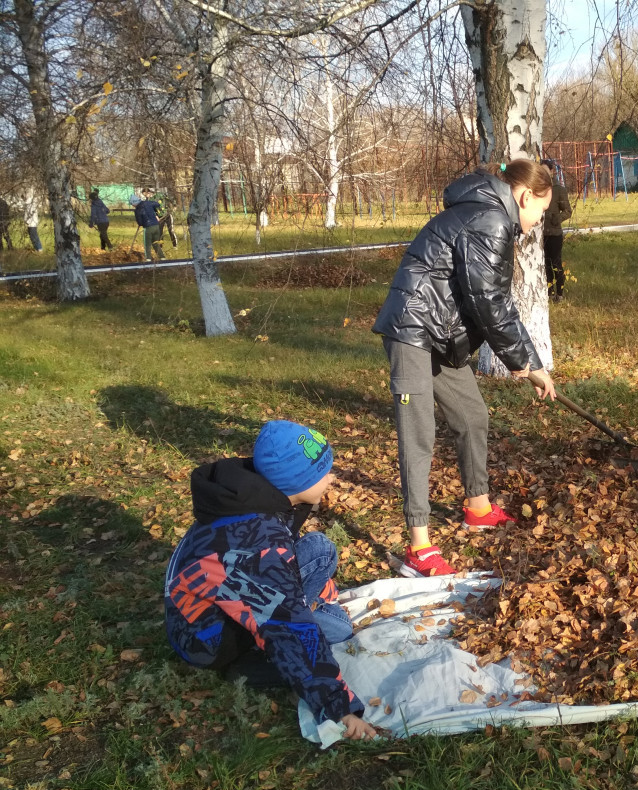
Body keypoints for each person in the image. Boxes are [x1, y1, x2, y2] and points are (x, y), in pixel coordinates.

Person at [373, 158, 557, 578]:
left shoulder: (486, 213)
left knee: (472, 415)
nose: (536, 223)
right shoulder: (491, 219)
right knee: (419, 434)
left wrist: (526, 360)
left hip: (438, 333)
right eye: (540, 212)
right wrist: (527, 365)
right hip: (412, 329)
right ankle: (419, 548)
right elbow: (489, 304)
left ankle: (477, 506)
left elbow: (491, 301)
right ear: (526, 195)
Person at [164, 420, 377, 741]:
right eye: (323, 473)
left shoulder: (251, 495)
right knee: (338, 629)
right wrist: (340, 708)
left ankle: (301, 617)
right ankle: (250, 664)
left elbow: (283, 566)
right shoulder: (259, 544)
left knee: (319, 548)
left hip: (206, 603)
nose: (332, 478)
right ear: (294, 482)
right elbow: (289, 626)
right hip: (207, 638)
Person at [541, 158, 572, 301]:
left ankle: (560, 293)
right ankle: (549, 292)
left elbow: (567, 211)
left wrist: (556, 218)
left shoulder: (559, 190)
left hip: (554, 234)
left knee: (556, 264)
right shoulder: (537, 188)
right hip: (540, 235)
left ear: (552, 171)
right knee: (545, 265)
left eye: (546, 170)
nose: (543, 173)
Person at [134, 188, 166, 261]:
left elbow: (140, 222)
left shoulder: (137, 210)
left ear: (134, 203)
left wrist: (142, 223)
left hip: (148, 227)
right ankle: (162, 257)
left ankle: (148, 258)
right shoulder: (148, 203)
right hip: (156, 225)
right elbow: (157, 204)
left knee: (147, 244)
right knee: (155, 243)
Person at [21, 187, 42, 252]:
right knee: (32, 236)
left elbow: (30, 213)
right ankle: (37, 248)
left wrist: (27, 221)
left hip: (32, 223)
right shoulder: (29, 203)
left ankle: (39, 248)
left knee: (34, 236)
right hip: (31, 222)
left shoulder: (30, 203)